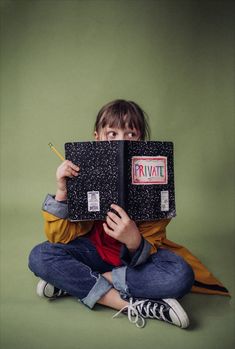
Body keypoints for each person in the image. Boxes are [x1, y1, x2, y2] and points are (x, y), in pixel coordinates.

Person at [28, 99, 228, 330]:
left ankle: (77, 282)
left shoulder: (153, 173)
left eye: (131, 134)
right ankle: (130, 303)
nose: (122, 140)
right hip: (92, 252)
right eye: (112, 134)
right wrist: (62, 192)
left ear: (140, 139)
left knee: (181, 275)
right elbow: (58, 238)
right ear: (98, 137)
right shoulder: (80, 171)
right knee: (40, 255)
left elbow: (154, 239)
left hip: (138, 261)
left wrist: (134, 241)